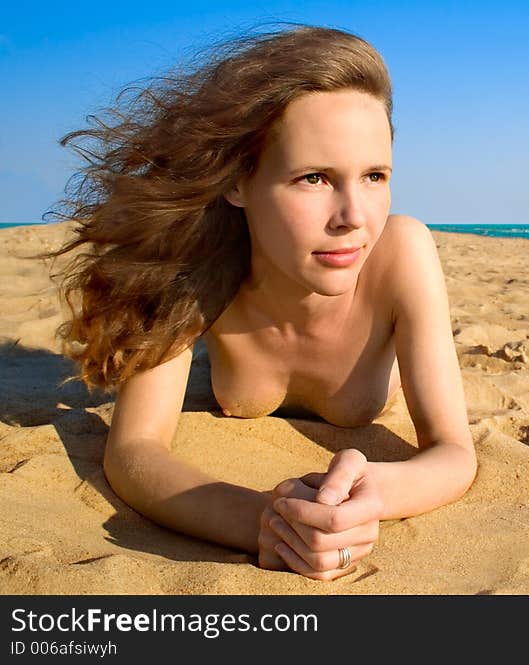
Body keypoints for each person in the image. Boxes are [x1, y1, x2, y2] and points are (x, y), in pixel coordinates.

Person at [48, 25, 476, 581]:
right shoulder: (197, 271)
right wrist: (265, 522)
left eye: (374, 175)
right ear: (238, 183)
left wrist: (377, 495)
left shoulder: (400, 253)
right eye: (314, 177)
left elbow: (453, 452)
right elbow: (133, 451)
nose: (353, 217)